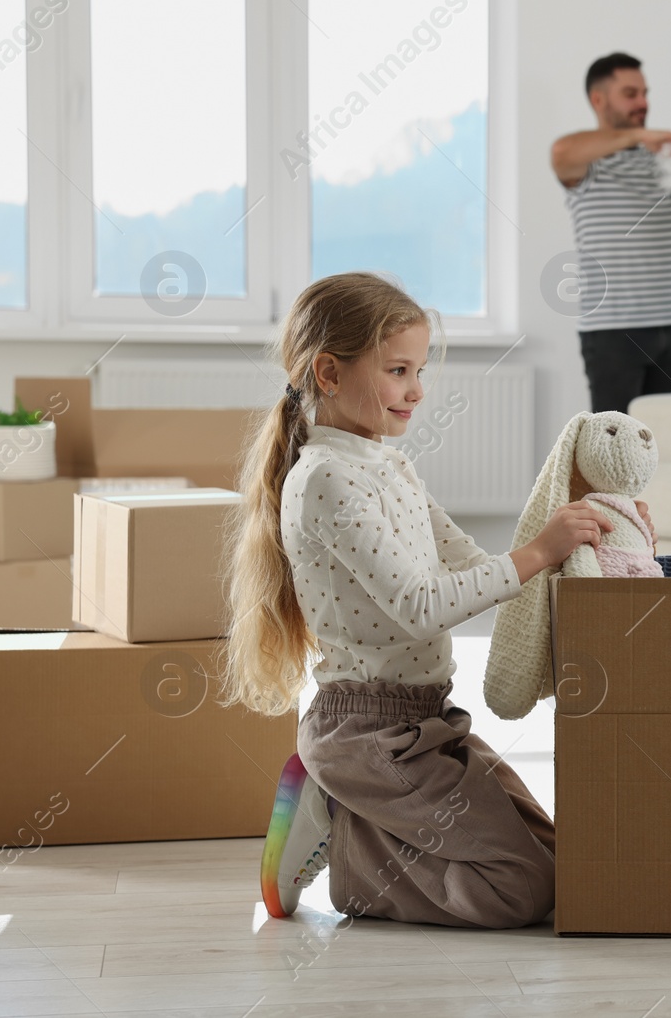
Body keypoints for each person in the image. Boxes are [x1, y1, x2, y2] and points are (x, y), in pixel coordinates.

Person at [221, 272, 647, 928]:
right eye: (398, 370)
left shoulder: (388, 464)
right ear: (329, 373)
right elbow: (419, 606)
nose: (417, 390)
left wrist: (590, 538)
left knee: (564, 861)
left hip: (431, 718)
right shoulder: (326, 478)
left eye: (418, 369)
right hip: (368, 731)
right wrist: (537, 551)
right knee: (521, 891)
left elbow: (475, 564)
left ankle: (354, 814)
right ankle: (346, 841)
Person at [552, 52, 671, 414]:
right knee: (610, 452)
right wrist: (639, 135)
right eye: (630, 93)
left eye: (645, 92)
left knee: (660, 446)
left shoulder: (662, 160)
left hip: (667, 329)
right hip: (613, 333)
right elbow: (561, 152)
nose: (643, 102)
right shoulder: (586, 163)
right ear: (599, 99)